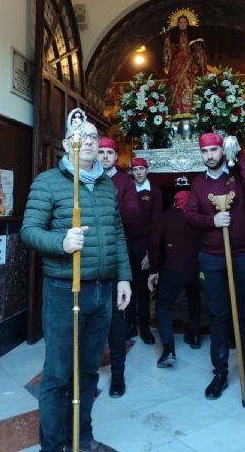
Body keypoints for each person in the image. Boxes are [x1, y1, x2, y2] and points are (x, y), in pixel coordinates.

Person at [21, 111, 131, 452]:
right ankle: (52, 447)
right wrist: (61, 243)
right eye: (81, 137)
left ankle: (81, 437)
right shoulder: (47, 182)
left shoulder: (106, 184)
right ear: (68, 144)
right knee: (57, 374)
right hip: (63, 289)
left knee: (88, 371)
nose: (89, 143)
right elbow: (28, 232)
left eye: (95, 138)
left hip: (102, 289)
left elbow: (116, 233)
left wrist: (124, 277)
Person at [185, 132, 245, 404]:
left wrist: (240, 155)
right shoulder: (198, 183)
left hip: (243, 255)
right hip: (212, 258)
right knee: (220, 317)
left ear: (222, 151)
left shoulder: (238, 174)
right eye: (205, 151)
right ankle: (220, 373)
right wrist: (213, 221)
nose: (209, 156)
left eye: (214, 150)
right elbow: (189, 215)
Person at [98, 137, 139, 399]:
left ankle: (118, 374)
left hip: (115, 254)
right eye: (100, 152)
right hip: (89, 254)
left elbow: (132, 217)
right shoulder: (83, 178)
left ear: (116, 157)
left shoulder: (125, 182)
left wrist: (112, 199)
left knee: (116, 316)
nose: (103, 156)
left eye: (109, 152)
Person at [148, 191, 202, 368]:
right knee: (194, 300)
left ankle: (169, 349)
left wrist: (154, 269)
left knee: (163, 307)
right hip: (197, 269)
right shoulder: (198, 217)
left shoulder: (166, 217)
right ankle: (194, 337)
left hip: (173, 270)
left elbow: (154, 243)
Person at [126, 157, 163, 344]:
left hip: (144, 246)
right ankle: (130, 325)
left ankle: (145, 327)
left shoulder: (154, 192)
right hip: (126, 244)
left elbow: (156, 225)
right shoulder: (127, 190)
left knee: (143, 290)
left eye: (141, 169)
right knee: (128, 287)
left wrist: (151, 251)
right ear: (131, 171)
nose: (138, 172)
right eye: (135, 169)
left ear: (147, 170)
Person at [162, 14, 207, 119]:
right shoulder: (174, 39)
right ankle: (176, 111)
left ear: (188, 24)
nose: (182, 24)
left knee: (190, 88)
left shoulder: (194, 38)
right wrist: (167, 43)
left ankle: (191, 111)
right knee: (176, 90)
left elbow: (200, 60)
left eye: (184, 22)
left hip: (191, 68)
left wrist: (198, 51)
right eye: (180, 22)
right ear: (177, 24)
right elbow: (168, 58)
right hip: (176, 68)